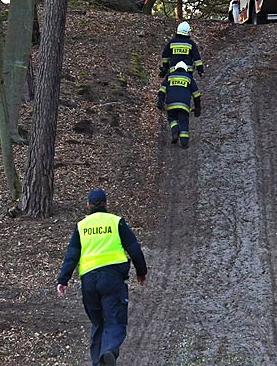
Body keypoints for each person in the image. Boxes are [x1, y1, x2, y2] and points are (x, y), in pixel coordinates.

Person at [56, 189, 147, 366]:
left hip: (89, 281)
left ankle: (98, 361)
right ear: (106, 204)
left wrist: (63, 280)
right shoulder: (116, 222)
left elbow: (72, 254)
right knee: (114, 321)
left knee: (98, 324)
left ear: (88, 206)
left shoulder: (81, 226)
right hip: (112, 279)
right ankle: (109, 351)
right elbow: (134, 248)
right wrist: (141, 272)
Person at [157, 60, 202, 149]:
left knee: (172, 118)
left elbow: (162, 90)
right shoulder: (189, 78)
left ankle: (175, 131)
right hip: (184, 105)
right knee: (183, 122)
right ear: (185, 69)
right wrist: (198, 108)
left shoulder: (169, 77)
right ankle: (184, 143)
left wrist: (160, 101)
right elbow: (196, 94)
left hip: (171, 103)